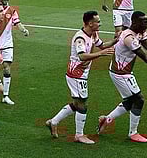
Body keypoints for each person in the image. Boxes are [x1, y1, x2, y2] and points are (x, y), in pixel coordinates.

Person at [97, 11, 147, 143]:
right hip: (120, 73)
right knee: (139, 100)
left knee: (129, 101)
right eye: (143, 22)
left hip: (125, 72)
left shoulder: (140, 32)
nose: (146, 24)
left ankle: (107, 119)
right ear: (134, 22)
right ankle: (133, 133)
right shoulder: (129, 38)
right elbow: (145, 57)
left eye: (146, 22)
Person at [46, 11, 116, 144]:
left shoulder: (93, 34)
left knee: (77, 103)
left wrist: (116, 40)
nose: (100, 24)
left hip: (81, 74)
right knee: (83, 104)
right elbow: (82, 56)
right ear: (90, 23)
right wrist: (101, 54)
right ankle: (79, 135)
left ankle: (53, 122)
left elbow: (102, 45)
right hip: (76, 74)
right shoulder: (80, 38)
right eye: (98, 22)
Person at [0, 0, 29, 105]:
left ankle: (5, 95)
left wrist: (23, 30)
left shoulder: (12, 10)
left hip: (7, 44)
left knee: (7, 67)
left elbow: (17, 22)